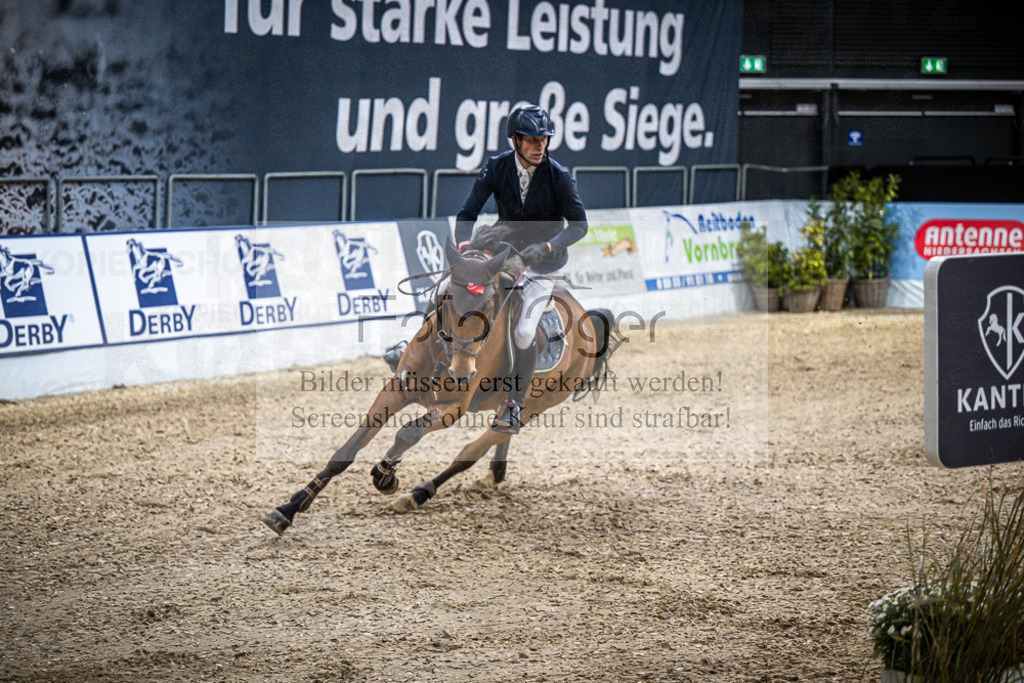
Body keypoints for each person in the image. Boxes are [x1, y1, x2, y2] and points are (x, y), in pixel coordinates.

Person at [384, 103, 588, 433]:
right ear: (516, 140)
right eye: (532, 140)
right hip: (501, 251)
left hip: (541, 263)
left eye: (544, 139)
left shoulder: (560, 178)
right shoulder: (497, 167)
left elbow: (580, 226)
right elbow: (468, 214)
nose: (540, 146)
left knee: (523, 331)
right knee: (446, 287)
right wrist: (466, 248)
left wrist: (548, 246)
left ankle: (514, 404)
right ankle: (411, 351)